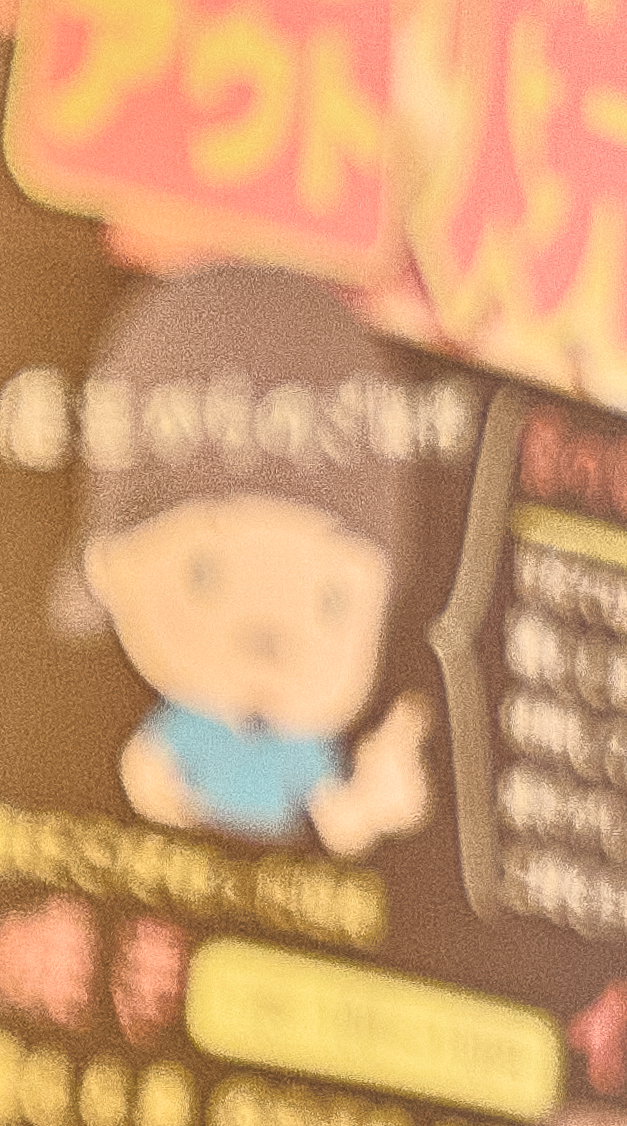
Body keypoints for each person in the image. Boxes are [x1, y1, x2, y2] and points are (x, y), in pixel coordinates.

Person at [57, 267, 449, 862]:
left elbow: (340, 822)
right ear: (110, 568)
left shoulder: (305, 753)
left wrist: (382, 795)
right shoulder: (185, 730)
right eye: (204, 574)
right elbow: (149, 782)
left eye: (331, 601)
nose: (270, 639)